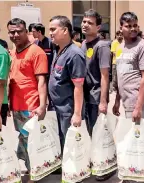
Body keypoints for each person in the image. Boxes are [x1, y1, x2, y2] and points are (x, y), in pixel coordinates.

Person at [7, 18, 48, 175]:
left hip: (31, 107)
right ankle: (33, 170)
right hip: (17, 106)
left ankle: (34, 174)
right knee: (24, 141)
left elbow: (42, 81)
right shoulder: (12, 53)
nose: (16, 34)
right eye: (12, 32)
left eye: (19, 31)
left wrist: (42, 105)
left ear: (26, 32)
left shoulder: (37, 52)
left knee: (31, 142)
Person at [81, 9, 112, 181]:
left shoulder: (102, 46)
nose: (85, 25)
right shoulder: (83, 44)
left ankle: (105, 168)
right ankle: (95, 162)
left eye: (89, 23)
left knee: (99, 134)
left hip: (96, 97)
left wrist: (103, 101)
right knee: (90, 132)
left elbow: (104, 76)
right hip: (85, 97)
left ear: (98, 27)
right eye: (84, 21)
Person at [48, 15, 86, 152]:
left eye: (53, 29)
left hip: (67, 109)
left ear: (65, 30)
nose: (50, 33)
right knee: (60, 143)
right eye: (49, 30)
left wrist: (77, 114)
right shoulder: (57, 50)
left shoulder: (74, 54)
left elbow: (78, 86)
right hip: (56, 108)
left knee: (71, 145)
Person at [112, 11, 144, 133]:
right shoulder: (120, 48)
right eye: (128, 26)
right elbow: (120, 75)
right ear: (121, 28)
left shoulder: (143, 47)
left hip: (137, 104)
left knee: (137, 144)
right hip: (126, 102)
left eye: (135, 25)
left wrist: (139, 107)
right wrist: (117, 101)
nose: (133, 29)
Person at [32, 23, 55, 111]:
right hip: (39, 73)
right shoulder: (35, 43)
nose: (32, 33)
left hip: (49, 73)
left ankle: (51, 108)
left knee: (50, 93)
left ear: (39, 32)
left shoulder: (50, 43)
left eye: (34, 31)